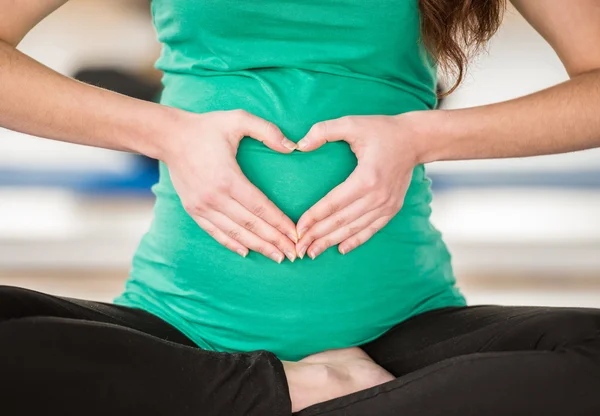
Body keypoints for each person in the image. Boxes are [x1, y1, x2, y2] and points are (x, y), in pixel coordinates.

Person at [1, 1, 599, 415]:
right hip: (178, 328)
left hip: (400, 332)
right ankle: (301, 394)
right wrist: (165, 133)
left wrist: (422, 137)